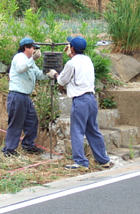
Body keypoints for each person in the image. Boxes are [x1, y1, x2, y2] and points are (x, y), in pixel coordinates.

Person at [46, 36, 111, 169]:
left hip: (80, 100)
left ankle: (80, 162)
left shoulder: (71, 63)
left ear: (73, 48)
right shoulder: (87, 60)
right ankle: (103, 159)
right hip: (91, 100)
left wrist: (55, 74)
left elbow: (62, 81)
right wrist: (70, 55)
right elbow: (78, 65)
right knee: (93, 130)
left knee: (77, 131)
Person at [2, 37, 48, 157]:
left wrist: (51, 73)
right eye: (33, 48)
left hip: (25, 97)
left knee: (32, 120)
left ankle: (28, 145)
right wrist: (33, 59)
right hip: (17, 95)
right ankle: (9, 149)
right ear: (26, 47)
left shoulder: (30, 61)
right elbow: (20, 68)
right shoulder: (19, 58)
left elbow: (39, 75)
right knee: (16, 122)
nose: (35, 51)